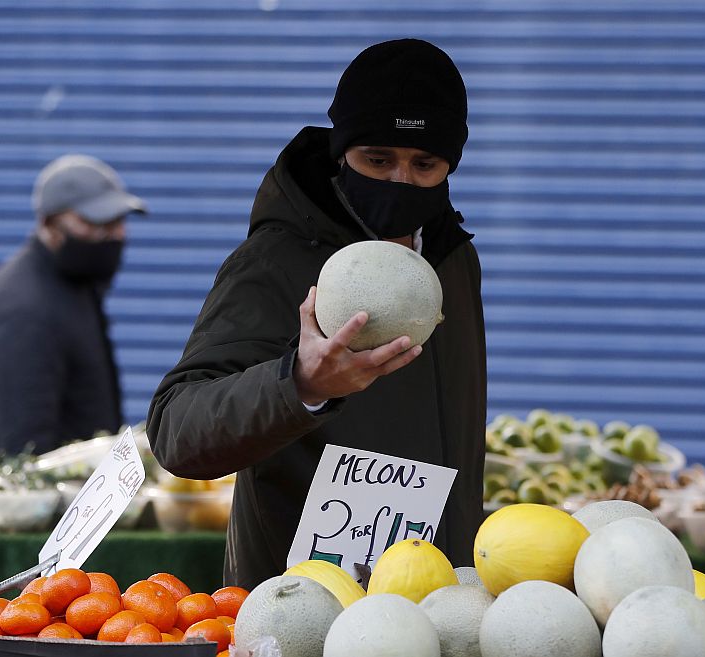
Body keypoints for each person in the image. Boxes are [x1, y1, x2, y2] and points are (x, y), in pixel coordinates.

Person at [147, 38, 486, 589]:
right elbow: (176, 432)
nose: (401, 180)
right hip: (304, 610)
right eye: (378, 159)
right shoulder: (275, 260)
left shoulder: (454, 259)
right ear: (341, 152)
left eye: (424, 164)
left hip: (437, 605)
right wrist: (300, 383)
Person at [0, 154, 147, 455]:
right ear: (50, 224)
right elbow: (25, 453)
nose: (113, 236)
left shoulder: (71, 283)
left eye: (118, 222)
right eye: (95, 223)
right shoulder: (26, 313)